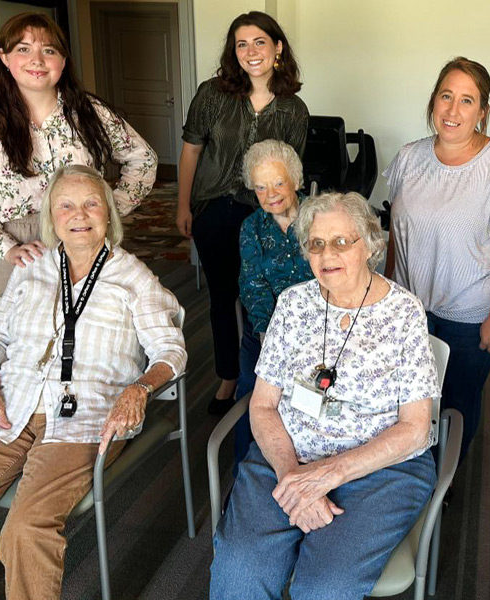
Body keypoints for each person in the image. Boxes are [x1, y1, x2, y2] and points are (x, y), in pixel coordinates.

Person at [0, 165, 186, 600]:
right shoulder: (32, 267)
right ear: (51, 215)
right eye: (66, 204)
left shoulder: (133, 277)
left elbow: (170, 351)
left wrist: (138, 389)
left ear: (108, 214)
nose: (78, 214)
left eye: (91, 203)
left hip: (86, 419)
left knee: (26, 529)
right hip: (8, 405)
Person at [209, 192, 439, 599]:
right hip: (286, 456)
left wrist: (327, 476)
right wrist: (292, 475)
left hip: (379, 470)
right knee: (240, 568)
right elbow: (262, 405)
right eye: (316, 243)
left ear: (369, 244)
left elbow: (416, 428)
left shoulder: (404, 313)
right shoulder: (293, 304)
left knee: (324, 586)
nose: (326, 254)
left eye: (341, 242)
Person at [0, 12, 156, 316]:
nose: (37, 59)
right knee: (12, 349)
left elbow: (143, 160)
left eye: (49, 50)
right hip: (12, 248)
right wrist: (6, 248)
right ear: (4, 58)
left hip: (83, 239)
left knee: (94, 340)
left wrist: (109, 211)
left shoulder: (88, 112)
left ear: (62, 60)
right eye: (23, 49)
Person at [383, 56, 490, 459]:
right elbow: (397, 233)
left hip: (468, 314)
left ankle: (444, 482)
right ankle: (408, 474)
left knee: (455, 406)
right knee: (407, 402)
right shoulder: (409, 158)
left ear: (483, 112)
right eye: (446, 96)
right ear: (433, 100)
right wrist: (385, 296)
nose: (453, 110)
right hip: (409, 308)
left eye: (467, 101)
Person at [175, 11, 309, 414]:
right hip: (214, 207)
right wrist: (183, 204)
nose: (251, 52)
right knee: (222, 296)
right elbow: (191, 150)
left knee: (266, 296)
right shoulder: (212, 94)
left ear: (277, 47)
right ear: (234, 52)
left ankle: (267, 376)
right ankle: (228, 376)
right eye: (241, 44)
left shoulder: (293, 109)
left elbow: (290, 172)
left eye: (260, 42)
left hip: (263, 214)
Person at [234, 139, 314, 463]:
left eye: (279, 183)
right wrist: (270, 335)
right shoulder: (251, 228)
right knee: (251, 397)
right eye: (261, 187)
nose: (271, 194)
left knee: (316, 402)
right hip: (267, 333)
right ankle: (244, 473)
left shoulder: (321, 216)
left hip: (317, 332)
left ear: (295, 179)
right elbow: (252, 284)